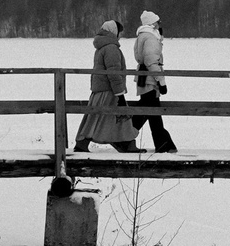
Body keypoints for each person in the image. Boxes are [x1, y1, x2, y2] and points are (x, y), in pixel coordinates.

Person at [72, 20, 141, 154]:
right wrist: (120, 94)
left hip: (100, 90)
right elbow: (114, 73)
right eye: (120, 32)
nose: (121, 35)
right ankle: (127, 144)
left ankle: (83, 143)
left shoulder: (101, 47)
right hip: (110, 91)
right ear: (114, 32)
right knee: (121, 117)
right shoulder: (111, 49)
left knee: (96, 117)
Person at [129, 10, 177, 152]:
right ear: (151, 23)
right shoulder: (150, 38)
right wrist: (161, 82)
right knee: (152, 112)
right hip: (150, 81)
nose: (159, 24)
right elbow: (152, 61)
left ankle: (163, 144)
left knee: (149, 111)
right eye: (157, 22)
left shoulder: (143, 36)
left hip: (145, 79)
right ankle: (162, 144)